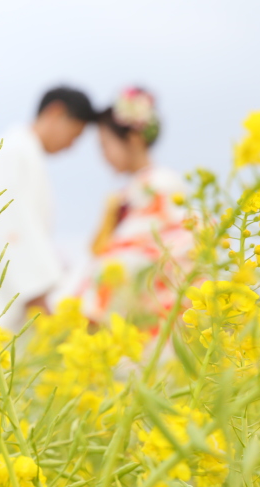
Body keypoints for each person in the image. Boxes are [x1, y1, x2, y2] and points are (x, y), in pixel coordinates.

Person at [0, 86, 96, 331]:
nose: (71, 146)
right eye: (74, 135)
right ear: (56, 112)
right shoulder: (12, 151)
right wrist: (39, 298)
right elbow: (10, 226)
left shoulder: (22, 152)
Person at [74, 87, 192, 331]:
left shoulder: (159, 185)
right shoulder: (132, 191)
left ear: (134, 140)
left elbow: (131, 254)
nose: (103, 155)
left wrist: (86, 304)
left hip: (152, 312)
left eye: (105, 144)